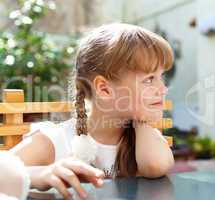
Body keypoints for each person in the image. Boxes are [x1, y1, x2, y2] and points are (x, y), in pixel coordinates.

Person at [11, 23, 175, 199]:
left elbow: (155, 167)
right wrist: (39, 175)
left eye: (161, 77)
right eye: (149, 79)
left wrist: (142, 122)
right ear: (104, 89)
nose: (163, 89)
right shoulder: (54, 141)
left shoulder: (143, 138)